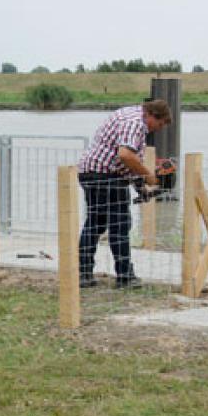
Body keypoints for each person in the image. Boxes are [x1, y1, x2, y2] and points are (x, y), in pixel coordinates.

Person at [76, 99, 174, 288]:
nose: (159, 129)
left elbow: (126, 163)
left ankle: (84, 273)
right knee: (120, 225)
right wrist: (149, 176)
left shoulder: (131, 116)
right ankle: (125, 276)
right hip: (105, 176)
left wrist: (140, 188)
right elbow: (125, 155)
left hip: (93, 173)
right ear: (152, 115)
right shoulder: (135, 123)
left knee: (95, 224)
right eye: (160, 124)